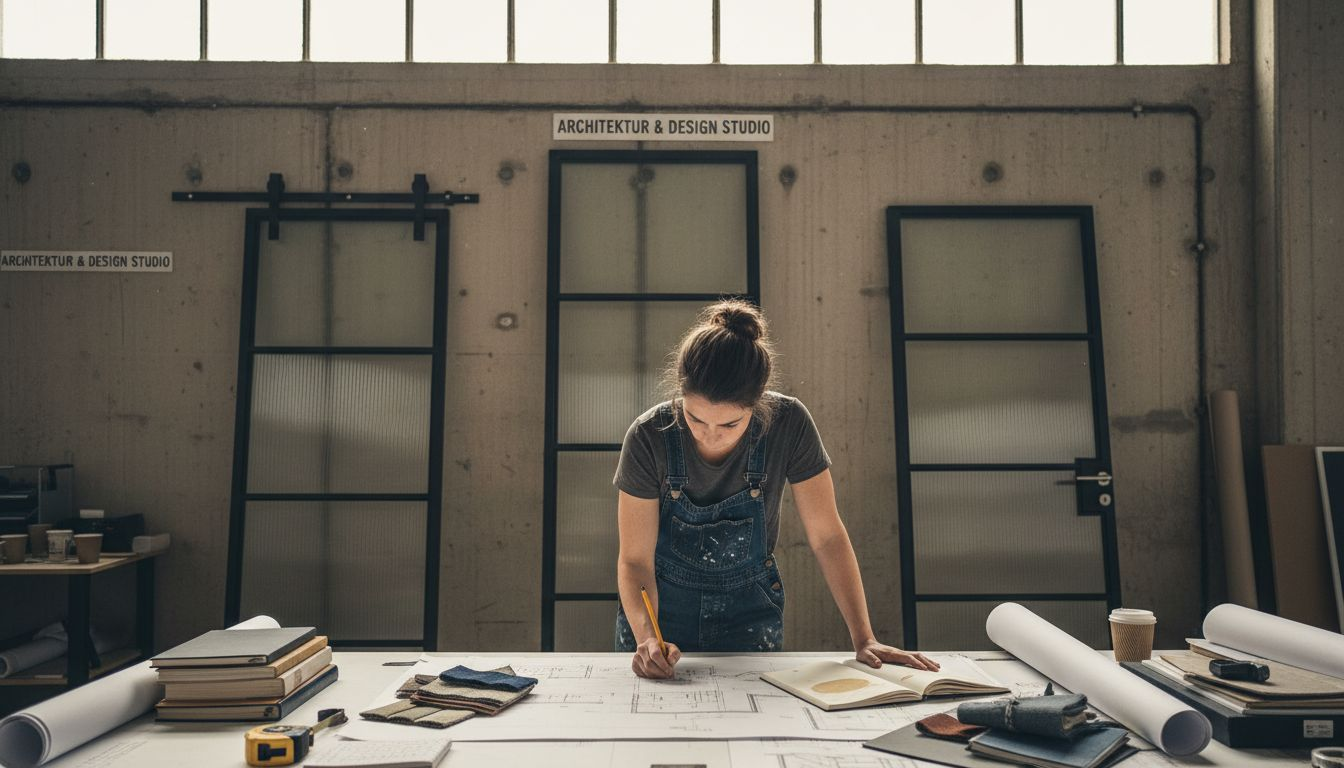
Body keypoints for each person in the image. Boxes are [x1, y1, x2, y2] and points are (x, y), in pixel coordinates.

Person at [614, 299, 939, 679]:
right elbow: (635, 560)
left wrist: (864, 638)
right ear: (680, 395)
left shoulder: (790, 424)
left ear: (758, 403)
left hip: (749, 613)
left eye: (730, 425)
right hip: (659, 616)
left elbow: (828, 536)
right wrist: (648, 638)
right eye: (695, 418)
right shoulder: (648, 435)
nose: (711, 436)